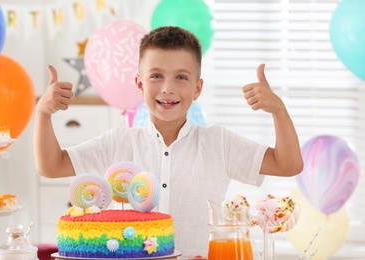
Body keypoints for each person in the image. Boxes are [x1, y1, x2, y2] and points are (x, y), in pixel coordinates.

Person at [34, 26, 303, 256]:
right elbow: (52, 166)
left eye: (181, 77)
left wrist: (278, 110)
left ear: (198, 88)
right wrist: (43, 113)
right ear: (139, 85)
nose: (167, 88)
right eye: (156, 76)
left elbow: (287, 164)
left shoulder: (219, 143)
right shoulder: (117, 142)